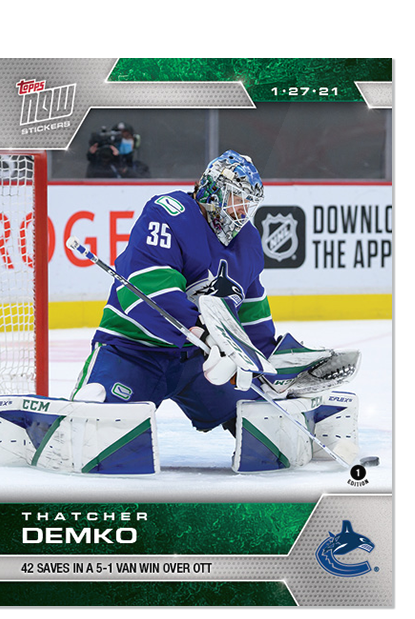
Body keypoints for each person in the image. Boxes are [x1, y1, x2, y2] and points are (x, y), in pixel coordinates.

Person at [72, 150, 275, 436]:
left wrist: (266, 364)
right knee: (95, 425)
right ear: (214, 190)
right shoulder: (169, 213)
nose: (242, 212)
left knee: (260, 416)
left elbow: (253, 312)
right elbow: (150, 285)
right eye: (236, 199)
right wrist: (207, 334)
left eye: (248, 204)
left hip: (198, 361)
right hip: (135, 350)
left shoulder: (248, 241)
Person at [85, 122, 150, 178]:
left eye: (127, 137)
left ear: (135, 142)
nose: (123, 141)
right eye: (119, 138)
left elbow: (145, 184)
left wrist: (123, 168)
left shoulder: (140, 167)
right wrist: (94, 159)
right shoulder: (102, 164)